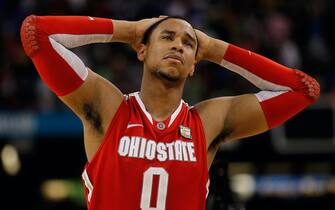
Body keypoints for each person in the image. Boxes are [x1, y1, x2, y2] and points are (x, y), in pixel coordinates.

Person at [20, 14, 319, 210]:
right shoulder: (109, 108)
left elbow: (303, 90)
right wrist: (130, 30)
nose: (178, 45)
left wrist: (215, 49)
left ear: (193, 65)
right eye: (166, 37)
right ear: (142, 50)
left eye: (188, 43)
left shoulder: (208, 121)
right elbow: (37, 33)